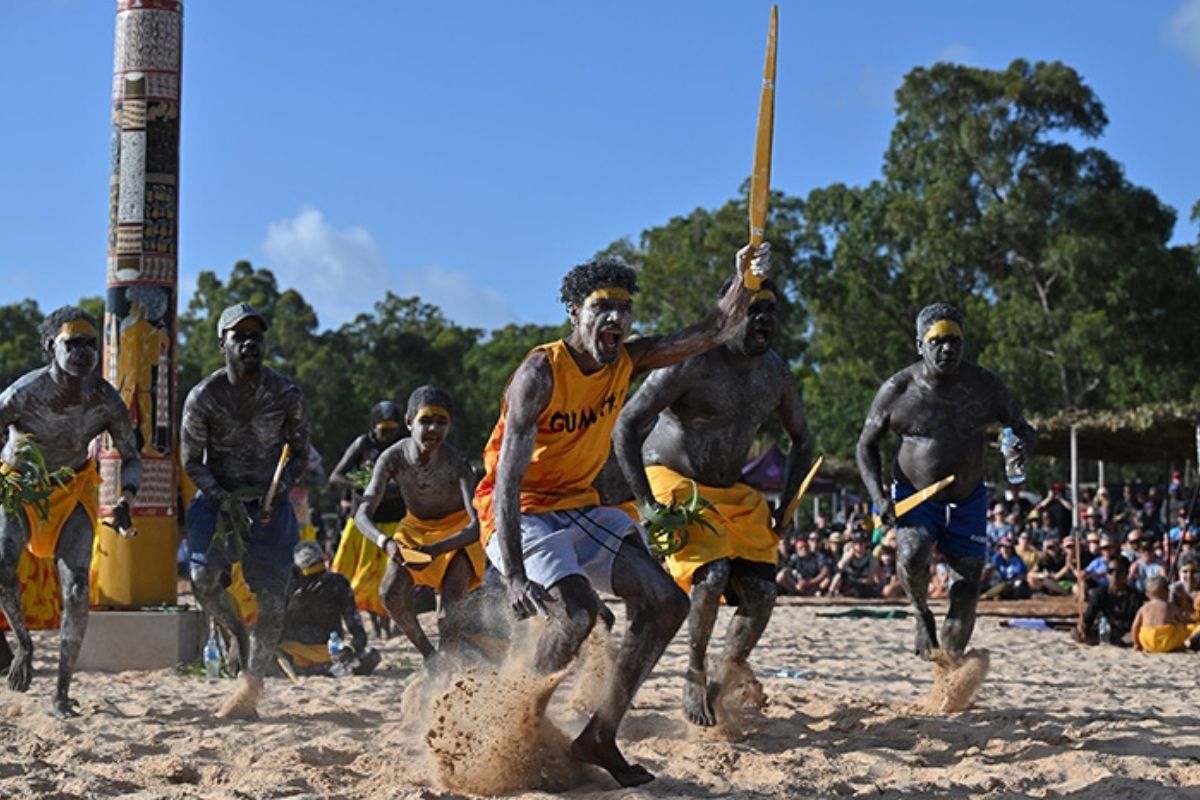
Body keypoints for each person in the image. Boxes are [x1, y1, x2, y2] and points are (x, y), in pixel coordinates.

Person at [473, 244, 771, 786]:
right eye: (601, 308)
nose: (615, 318)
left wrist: (745, 280)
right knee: (578, 613)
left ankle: (600, 735)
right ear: (574, 314)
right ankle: (516, 723)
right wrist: (514, 575)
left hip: (580, 508)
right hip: (520, 510)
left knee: (666, 602)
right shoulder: (540, 372)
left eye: (623, 309)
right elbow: (509, 482)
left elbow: (710, 329)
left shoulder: (628, 359)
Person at [613, 277, 812, 727]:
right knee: (713, 573)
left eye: (771, 312)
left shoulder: (775, 372)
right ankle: (694, 669)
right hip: (670, 481)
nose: (764, 320)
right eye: (753, 310)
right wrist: (646, 506)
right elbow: (625, 425)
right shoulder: (690, 361)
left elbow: (802, 440)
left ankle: (724, 676)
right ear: (730, 314)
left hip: (730, 492)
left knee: (762, 592)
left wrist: (789, 502)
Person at [856, 303, 1036, 658]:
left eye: (955, 340)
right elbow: (865, 446)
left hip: (969, 499)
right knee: (913, 553)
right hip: (916, 495)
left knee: (967, 592)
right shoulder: (898, 389)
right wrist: (878, 497)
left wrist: (1021, 446)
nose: (947, 349)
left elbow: (1023, 428)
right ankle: (922, 613)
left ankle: (949, 671)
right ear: (920, 344)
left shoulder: (985, 386)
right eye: (937, 341)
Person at [0, 307, 141, 716]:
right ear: (50, 348)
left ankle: (61, 692)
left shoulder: (104, 399)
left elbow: (131, 456)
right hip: (21, 489)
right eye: (72, 343)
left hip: (72, 491)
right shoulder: (21, 395)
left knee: (78, 589)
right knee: (2, 563)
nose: (83, 352)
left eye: (90, 344)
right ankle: (24, 645)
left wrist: (126, 499)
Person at [182, 303, 308, 719]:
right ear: (223, 344)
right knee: (202, 580)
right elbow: (192, 461)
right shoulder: (203, 397)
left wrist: (278, 493)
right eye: (241, 336)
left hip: (270, 505)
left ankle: (251, 687)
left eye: (257, 336)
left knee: (274, 600)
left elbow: (299, 453)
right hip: (219, 501)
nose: (251, 343)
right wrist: (223, 499)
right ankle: (237, 631)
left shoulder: (286, 393)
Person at [355, 386, 486, 664]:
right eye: (426, 420)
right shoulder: (392, 458)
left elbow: (477, 526)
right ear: (409, 421)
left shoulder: (457, 463)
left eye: (442, 422)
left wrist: (437, 549)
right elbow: (361, 514)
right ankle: (430, 658)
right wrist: (385, 542)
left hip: (457, 533)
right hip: (415, 529)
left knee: (448, 614)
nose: (434, 429)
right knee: (389, 594)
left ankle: (448, 668)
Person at [330, 401, 406, 636]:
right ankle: (374, 623)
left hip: (395, 521)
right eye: (384, 429)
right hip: (366, 522)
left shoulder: (404, 445)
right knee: (365, 576)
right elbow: (336, 476)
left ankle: (389, 624)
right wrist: (367, 484)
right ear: (374, 427)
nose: (388, 434)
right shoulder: (364, 444)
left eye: (392, 429)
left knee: (391, 575)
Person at [279, 541, 380, 676]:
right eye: (310, 568)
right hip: (294, 652)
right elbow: (276, 629)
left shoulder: (337, 584)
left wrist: (350, 649)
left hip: (329, 651)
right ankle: (322, 669)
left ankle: (317, 669)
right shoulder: (288, 586)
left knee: (370, 656)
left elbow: (358, 634)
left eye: (317, 566)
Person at [1077, 555, 1144, 646]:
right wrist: (1083, 626)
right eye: (1110, 572)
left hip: (1126, 631)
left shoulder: (1135, 596)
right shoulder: (1099, 593)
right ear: (1106, 574)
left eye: (1119, 572)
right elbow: (1089, 617)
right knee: (1077, 633)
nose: (1114, 576)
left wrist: (1117, 623)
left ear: (1127, 574)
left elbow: (1136, 622)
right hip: (1106, 630)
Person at [1131, 575, 1200, 653]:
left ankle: (1147, 647)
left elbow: (1135, 627)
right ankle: (1185, 644)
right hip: (1166, 641)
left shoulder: (1144, 608)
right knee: (1183, 628)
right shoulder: (1171, 606)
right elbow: (1182, 621)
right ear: (1167, 592)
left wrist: (1136, 644)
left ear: (1147, 594)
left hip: (1147, 641)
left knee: (1142, 629)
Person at [828, 531, 882, 598]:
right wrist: (849, 556)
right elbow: (840, 566)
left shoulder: (871, 558)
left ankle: (850, 593)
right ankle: (830, 592)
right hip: (849, 581)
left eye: (861, 543)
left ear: (865, 544)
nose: (858, 546)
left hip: (862, 582)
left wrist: (863, 582)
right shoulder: (848, 554)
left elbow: (870, 579)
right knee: (839, 574)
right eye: (856, 543)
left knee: (864, 590)